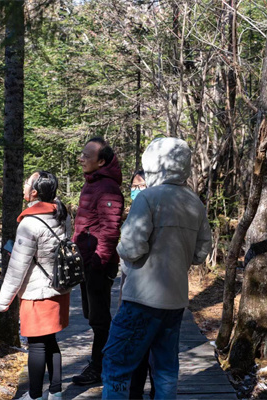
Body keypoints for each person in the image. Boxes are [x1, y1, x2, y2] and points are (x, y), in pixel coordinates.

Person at [101, 137, 212, 399]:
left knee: (117, 363)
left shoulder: (148, 198)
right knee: (165, 367)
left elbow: (130, 248)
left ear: (153, 163)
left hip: (141, 297)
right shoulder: (194, 203)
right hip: (175, 301)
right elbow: (200, 252)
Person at [0, 171, 70, 400]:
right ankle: (55, 392)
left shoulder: (29, 223)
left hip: (38, 292)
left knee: (37, 345)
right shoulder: (62, 214)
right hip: (59, 287)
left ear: (35, 192)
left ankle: (35, 395)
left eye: (27, 183)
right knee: (51, 340)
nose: (24, 186)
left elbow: (18, 268)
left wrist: (3, 301)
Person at [72, 137, 124, 386]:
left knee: (100, 318)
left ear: (101, 161)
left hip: (97, 263)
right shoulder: (93, 183)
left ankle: (101, 367)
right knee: (93, 316)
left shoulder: (108, 189)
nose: (81, 159)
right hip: (87, 261)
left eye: (86, 155)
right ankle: (103, 361)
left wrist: (98, 263)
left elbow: (111, 230)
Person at [126, 169, 155, 400]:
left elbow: (132, 250)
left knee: (144, 351)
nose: (136, 190)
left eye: (141, 185)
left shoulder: (151, 208)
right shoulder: (135, 210)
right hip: (137, 290)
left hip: (146, 292)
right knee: (144, 353)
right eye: (133, 186)